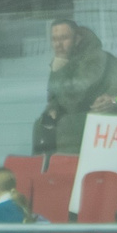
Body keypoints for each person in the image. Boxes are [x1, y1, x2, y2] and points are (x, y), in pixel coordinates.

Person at [34, 18, 108, 156]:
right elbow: (53, 96)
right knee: (42, 124)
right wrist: (53, 108)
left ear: (77, 38)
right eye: (54, 39)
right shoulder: (63, 58)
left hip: (95, 112)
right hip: (73, 112)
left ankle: (67, 169)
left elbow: (76, 99)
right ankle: (42, 169)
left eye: (63, 38)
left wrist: (60, 68)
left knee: (67, 124)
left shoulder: (95, 57)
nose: (58, 45)